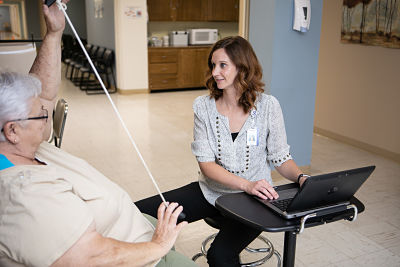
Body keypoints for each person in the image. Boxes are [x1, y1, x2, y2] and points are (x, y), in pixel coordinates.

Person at [0, 1, 197, 267]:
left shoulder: (19, 147)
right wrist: (158, 245)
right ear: (12, 130)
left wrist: (54, 32)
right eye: (41, 115)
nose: (48, 116)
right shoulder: (23, 194)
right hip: (137, 257)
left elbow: (43, 95)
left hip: (133, 231)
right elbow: (89, 257)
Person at [135, 36, 309, 267]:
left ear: (243, 67)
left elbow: (280, 157)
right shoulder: (203, 107)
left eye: (223, 65)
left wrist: (300, 177)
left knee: (220, 255)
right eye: (213, 65)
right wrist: (246, 184)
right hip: (212, 192)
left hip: (255, 200)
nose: (215, 72)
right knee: (135, 212)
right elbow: (206, 165)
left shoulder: (268, 106)